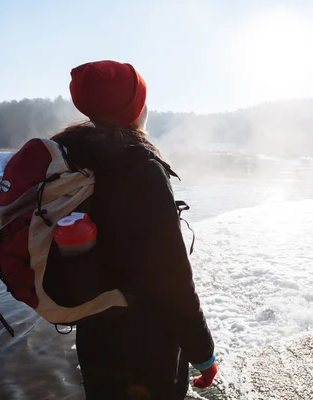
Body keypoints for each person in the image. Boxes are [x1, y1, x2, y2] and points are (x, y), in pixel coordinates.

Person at [51, 60, 217, 399]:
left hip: (95, 337)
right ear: (134, 108)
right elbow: (173, 281)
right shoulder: (141, 170)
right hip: (147, 345)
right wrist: (203, 354)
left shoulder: (72, 161)